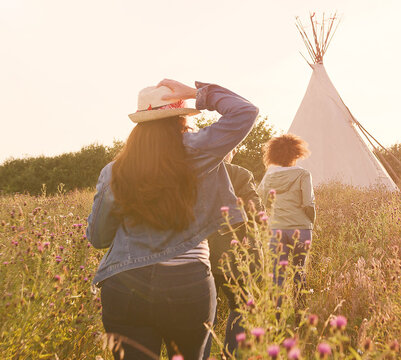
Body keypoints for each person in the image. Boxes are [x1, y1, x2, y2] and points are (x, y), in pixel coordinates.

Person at [86, 79, 258, 360]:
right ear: (180, 119)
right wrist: (194, 93)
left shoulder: (114, 171)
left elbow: (98, 238)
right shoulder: (198, 149)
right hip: (187, 283)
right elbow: (245, 111)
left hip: (125, 284)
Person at [205, 148, 263, 357]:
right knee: (240, 307)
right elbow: (256, 210)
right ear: (231, 151)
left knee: (205, 312)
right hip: (235, 254)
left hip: (202, 254)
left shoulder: (197, 171)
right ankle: (229, 354)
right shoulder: (240, 174)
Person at [257, 134, 315, 289]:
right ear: (297, 153)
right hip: (301, 227)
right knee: (299, 271)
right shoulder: (303, 174)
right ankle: (300, 310)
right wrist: (312, 221)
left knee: (277, 275)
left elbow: (258, 200)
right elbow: (308, 203)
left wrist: (269, 216)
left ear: (273, 155)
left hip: (276, 229)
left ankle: (277, 310)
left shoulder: (269, 176)